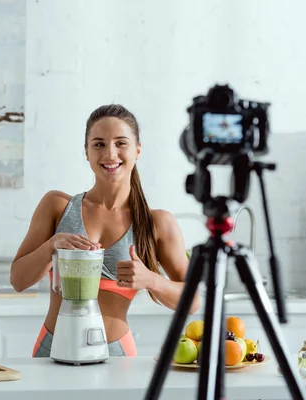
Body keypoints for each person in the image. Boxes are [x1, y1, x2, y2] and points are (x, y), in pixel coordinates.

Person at [10, 104, 201, 358]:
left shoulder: (157, 223)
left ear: (137, 150)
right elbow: (18, 280)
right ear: (86, 153)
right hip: (52, 348)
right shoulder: (57, 207)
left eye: (121, 143)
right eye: (98, 144)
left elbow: (193, 301)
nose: (110, 154)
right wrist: (51, 246)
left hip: (116, 355)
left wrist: (150, 280)